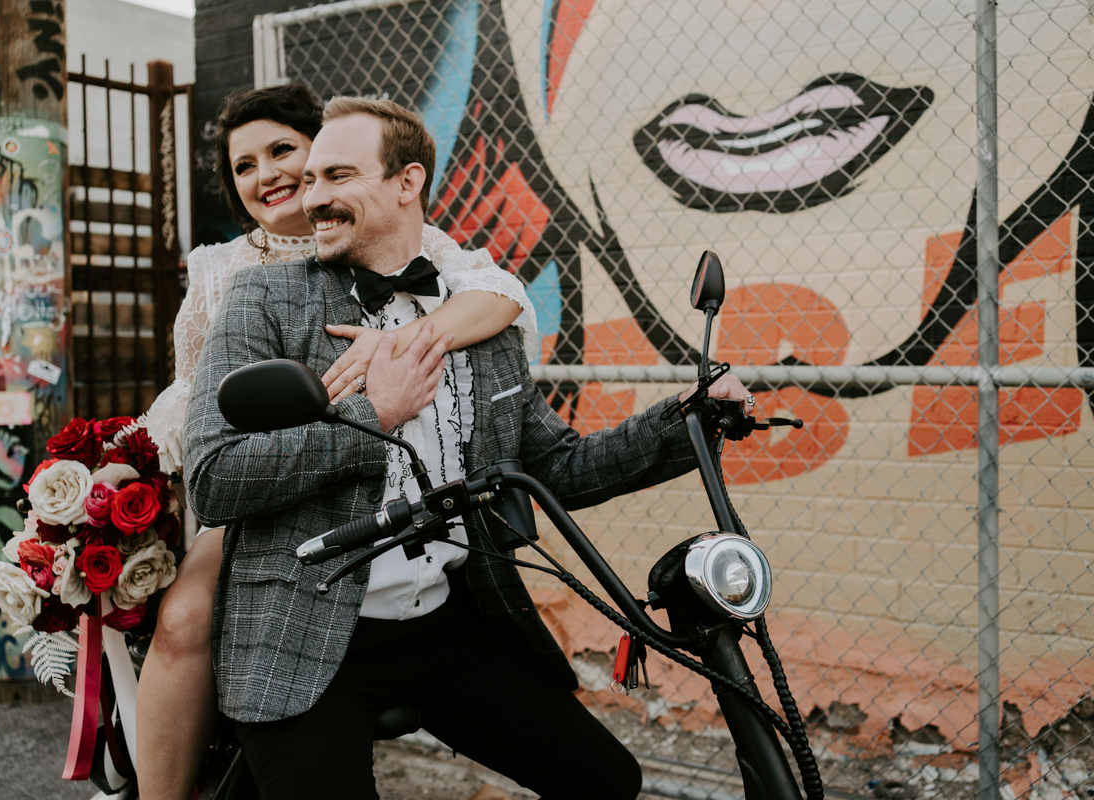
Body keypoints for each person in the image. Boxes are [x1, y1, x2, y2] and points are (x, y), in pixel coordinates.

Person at [183, 96, 750, 799]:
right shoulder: (264, 300)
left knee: (606, 779)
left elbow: (550, 466)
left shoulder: (477, 317)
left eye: (338, 177)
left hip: (446, 622)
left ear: (406, 182)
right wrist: (373, 415)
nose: (314, 197)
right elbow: (212, 479)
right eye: (314, 179)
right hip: (304, 634)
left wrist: (686, 421)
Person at [133, 84, 538, 800]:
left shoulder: (405, 247)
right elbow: (193, 395)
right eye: (244, 166)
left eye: (287, 152)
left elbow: (496, 292)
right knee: (186, 616)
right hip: (261, 479)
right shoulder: (225, 273)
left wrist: (408, 335)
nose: (272, 176)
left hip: (372, 492)